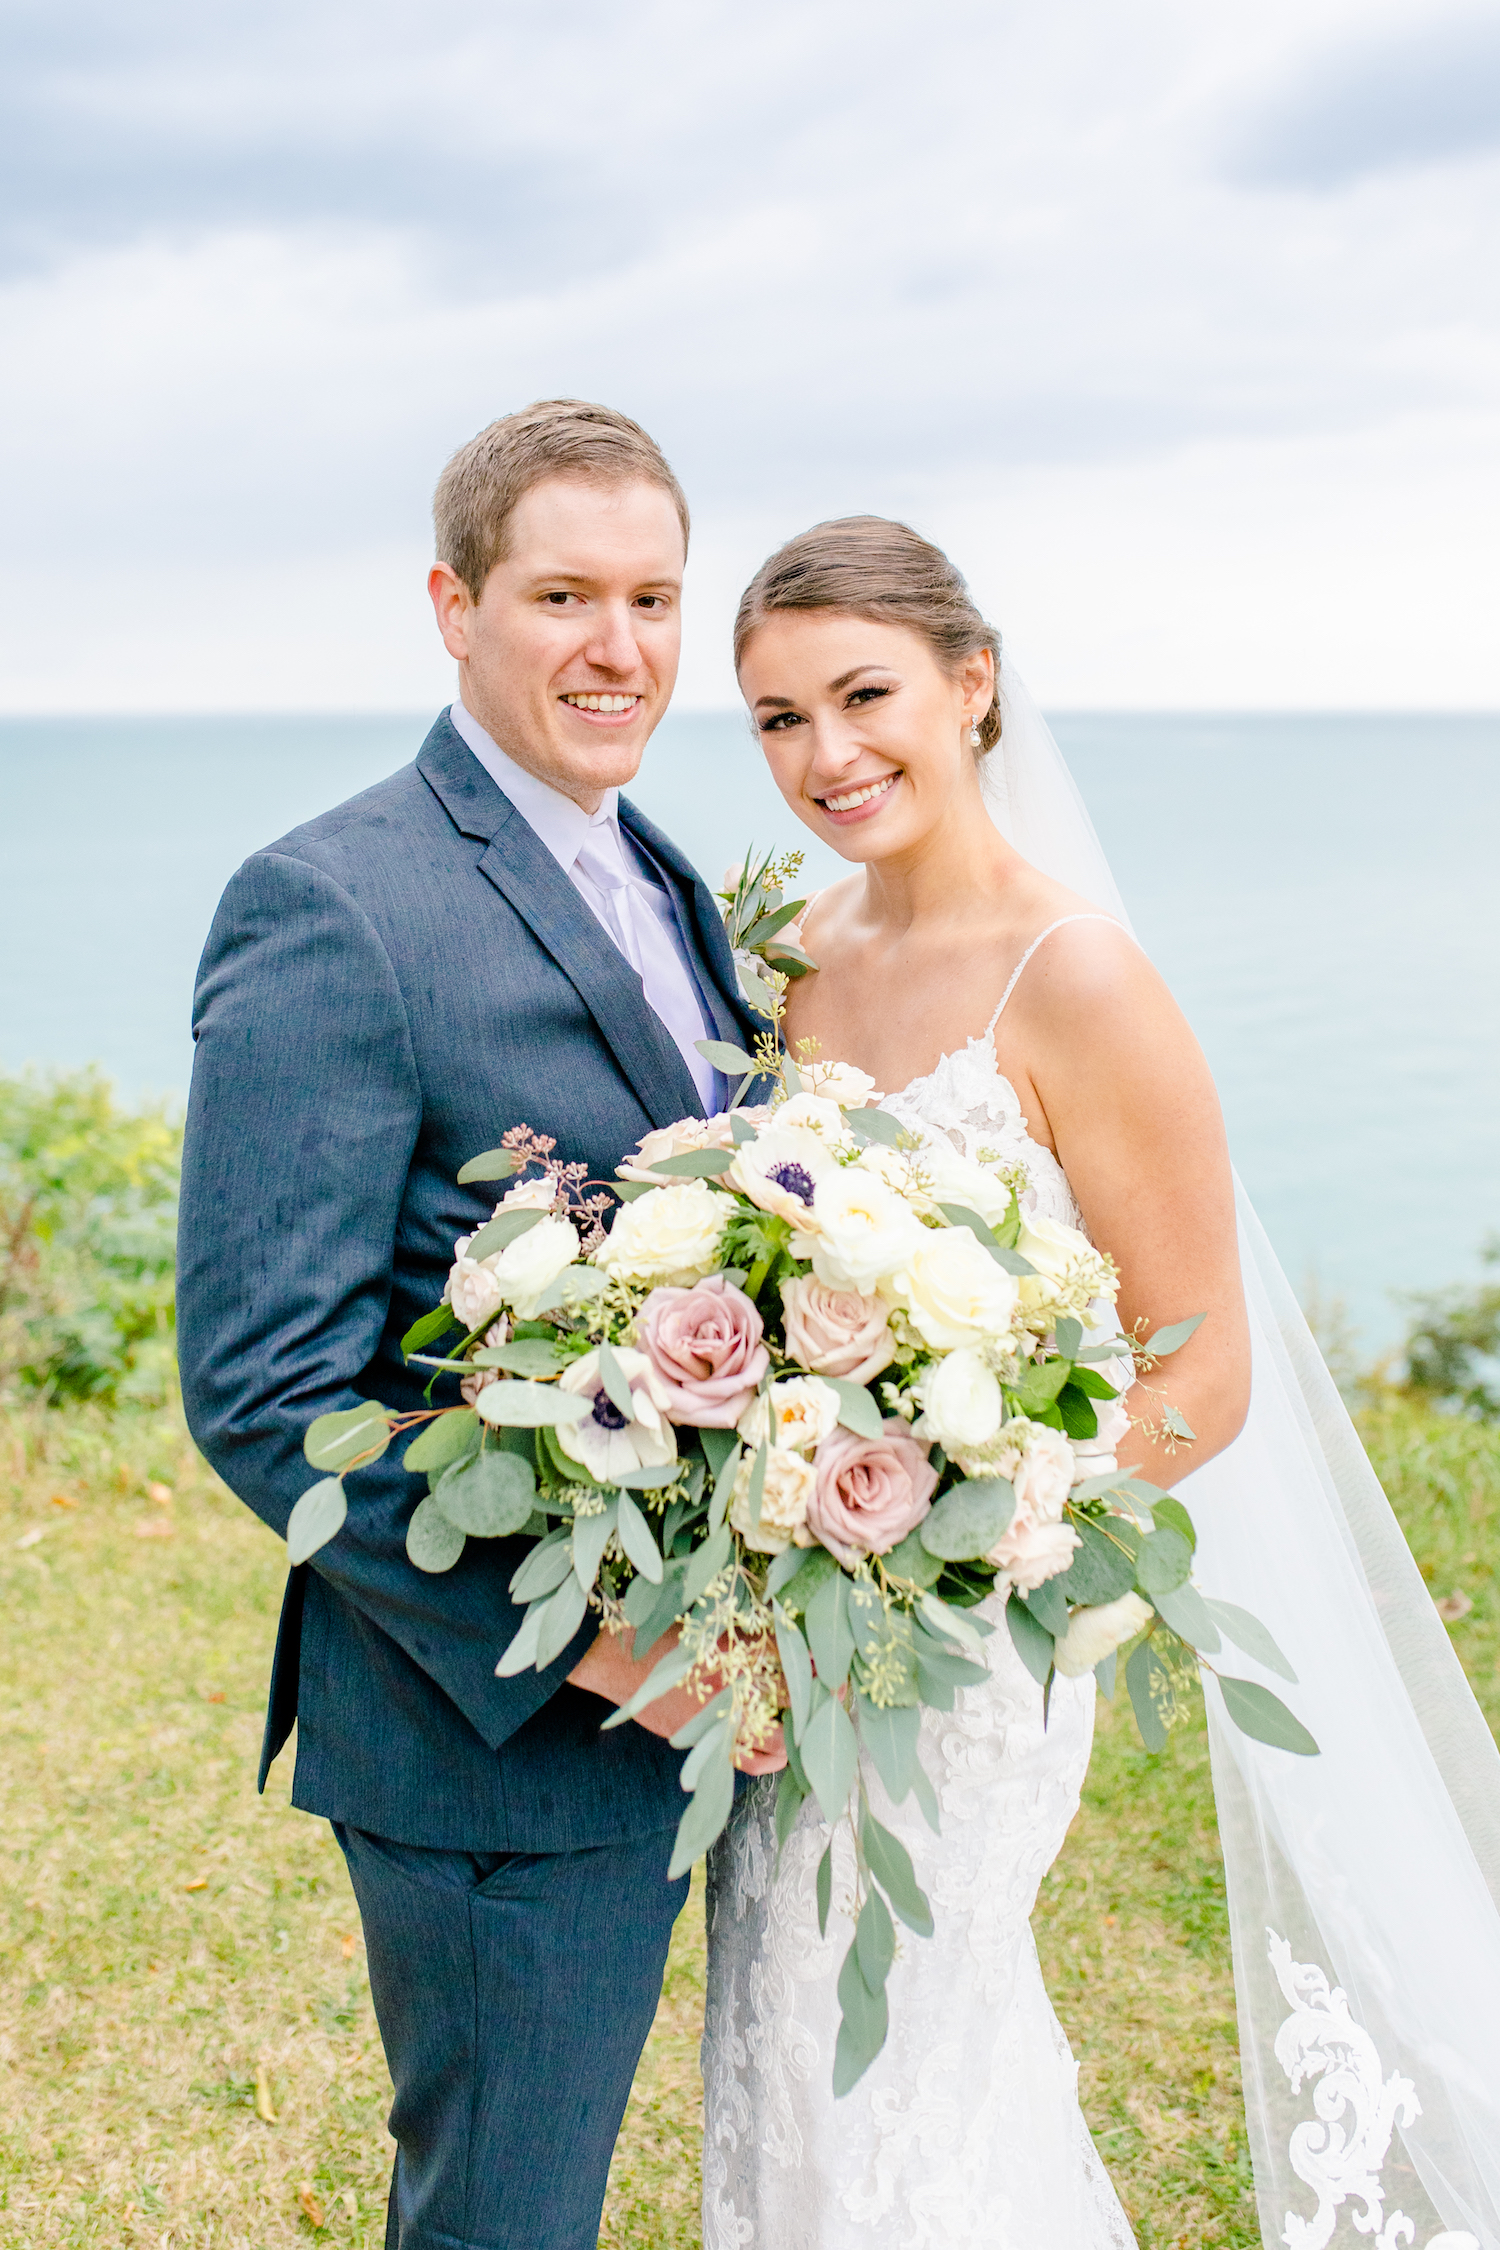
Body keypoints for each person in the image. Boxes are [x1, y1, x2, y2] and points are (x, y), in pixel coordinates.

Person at [701, 517, 1500, 2248]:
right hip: (793, 1627)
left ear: (971, 683)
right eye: (774, 718)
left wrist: (963, 1535)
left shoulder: (1080, 977)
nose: (824, 756)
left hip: (967, 1637)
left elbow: (1201, 1367)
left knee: (900, 2041)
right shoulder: (792, 956)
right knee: (781, 2026)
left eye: (862, 695)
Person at [176, 398, 780, 2250]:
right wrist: (609, 1655)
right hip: (496, 1733)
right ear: (454, 602)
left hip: (694, 1701)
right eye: (564, 596)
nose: (621, 649)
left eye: (657, 599)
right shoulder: (333, 899)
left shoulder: (664, 874)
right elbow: (265, 1393)